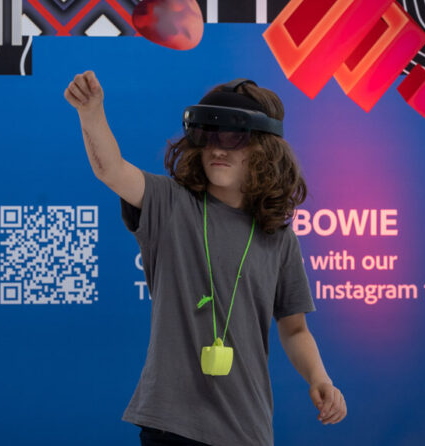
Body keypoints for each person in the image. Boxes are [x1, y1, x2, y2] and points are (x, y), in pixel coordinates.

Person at [64, 71, 347, 446]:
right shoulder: (170, 204)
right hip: (171, 425)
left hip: (246, 428)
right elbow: (110, 170)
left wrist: (319, 378)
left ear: (264, 149)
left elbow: (294, 329)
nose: (218, 149)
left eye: (233, 137)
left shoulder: (277, 237)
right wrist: (91, 112)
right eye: (207, 136)